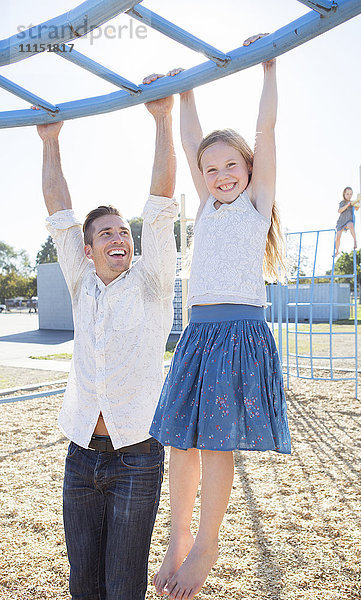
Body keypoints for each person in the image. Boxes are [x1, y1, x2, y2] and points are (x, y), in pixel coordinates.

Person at [149, 34, 291, 600]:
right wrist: (185, 93)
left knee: (214, 444)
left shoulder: (257, 202)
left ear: (249, 170)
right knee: (179, 441)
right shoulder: (206, 203)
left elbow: (266, 132)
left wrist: (268, 67)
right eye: (211, 170)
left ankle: (208, 543)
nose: (220, 175)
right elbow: (190, 143)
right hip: (199, 333)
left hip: (238, 334)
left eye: (231, 166)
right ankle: (178, 534)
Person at [36, 75, 178, 600]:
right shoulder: (81, 283)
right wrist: (51, 140)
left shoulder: (153, 281)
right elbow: (60, 215)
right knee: (82, 584)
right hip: (81, 452)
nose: (118, 237)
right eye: (106, 233)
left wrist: (163, 118)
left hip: (137, 454)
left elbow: (161, 200)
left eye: (124, 231)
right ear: (89, 250)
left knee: (122, 584)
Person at [335, 186, 358, 256]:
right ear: (344, 194)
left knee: (351, 225)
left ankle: (355, 241)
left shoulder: (352, 203)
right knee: (338, 237)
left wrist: (358, 204)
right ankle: (337, 251)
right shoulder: (342, 202)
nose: (349, 196)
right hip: (341, 222)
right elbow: (339, 211)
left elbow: (356, 209)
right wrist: (347, 205)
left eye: (350, 194)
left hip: (348, 221)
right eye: (347, 194)